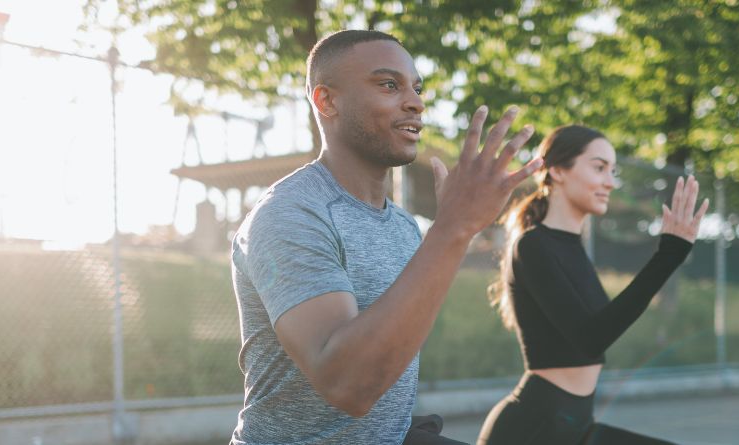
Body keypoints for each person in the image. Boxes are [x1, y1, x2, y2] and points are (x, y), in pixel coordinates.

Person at [230, 29, 542, 445]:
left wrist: (452, 231)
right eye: (389, 85)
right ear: (327, 101)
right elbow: (348, 387)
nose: (415, 102)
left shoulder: (403, 225)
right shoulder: (290, 215)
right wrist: (453, 228)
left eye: (416, 87)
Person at [476, 125, 709, 445]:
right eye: (599, 168)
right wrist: (667, 256)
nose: (611, 182)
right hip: (533, 429)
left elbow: (601, 326)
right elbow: (590, 339)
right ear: (557, 170)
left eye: (613, 171)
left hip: (576, 425)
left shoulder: (572, 249)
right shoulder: (532, 246)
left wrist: (671, 254)